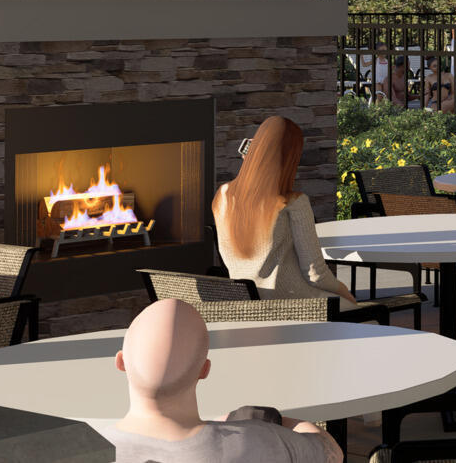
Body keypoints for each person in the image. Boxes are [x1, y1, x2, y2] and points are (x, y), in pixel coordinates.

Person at [104, 298, 341, 463]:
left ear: (121, 362)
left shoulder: (77, 449)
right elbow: (331, 453)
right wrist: (279, 423)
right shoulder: (258, 440)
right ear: (204, 370)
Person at [212, 116, 362, 310]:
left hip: (248, 305)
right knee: (365, 316)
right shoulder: (294, 203)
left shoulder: (223, 196)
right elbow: (316, 274)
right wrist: (343, 290)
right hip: (295, 304)